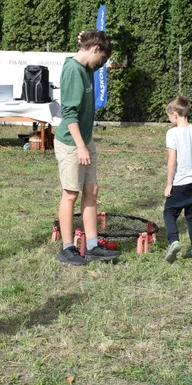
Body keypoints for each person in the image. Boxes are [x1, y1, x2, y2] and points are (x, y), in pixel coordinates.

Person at [55, 29, 121, 267]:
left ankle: (92, 246)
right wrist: (81, 147)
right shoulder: (73, 71)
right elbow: (69, 113)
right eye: (101, 57)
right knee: (71, 194)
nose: (101, 63)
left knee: (91, 191)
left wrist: (85, 36)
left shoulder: (87, 68)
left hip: (85, 140)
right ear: (94, 50)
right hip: (72, 143)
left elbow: (88, 50)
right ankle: (67, 248)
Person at [163, 96, 192, 263]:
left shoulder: (172, 133)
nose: (169, 119)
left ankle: (174, 241)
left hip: (180, 182)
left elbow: (172, 161)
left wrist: (169, 184)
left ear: (175, 114)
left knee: (169, 212)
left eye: (169, 116)